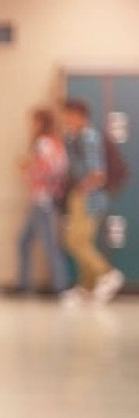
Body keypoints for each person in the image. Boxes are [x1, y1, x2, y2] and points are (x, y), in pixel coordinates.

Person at [60, 98, 124, 305]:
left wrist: (81, 189)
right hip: (80, 195)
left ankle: (106, 274)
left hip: (87, 197)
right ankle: (86, 288)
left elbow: (98, 174)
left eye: (68, 115)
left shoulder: (89, 137)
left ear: (79, 116)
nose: (65, 119)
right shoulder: (73, 138)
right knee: (79, 242)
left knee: (75, 241)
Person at [13, 109, 69, 294]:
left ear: (40, 123)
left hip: (42, 199)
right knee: (24, 241)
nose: (30, 126)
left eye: (33, 121)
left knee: (48, 243)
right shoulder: (55, 143)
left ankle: (59, 285)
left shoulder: (43, 143)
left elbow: (46, 170)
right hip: (44, 198)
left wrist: (25, 170)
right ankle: (23, 284)